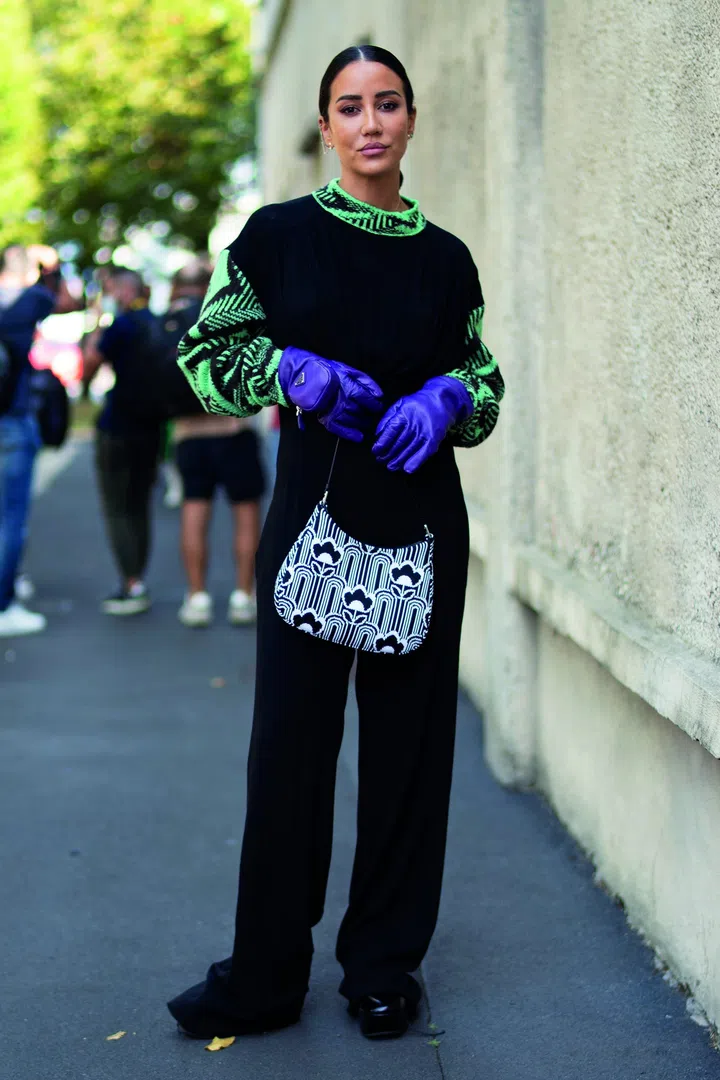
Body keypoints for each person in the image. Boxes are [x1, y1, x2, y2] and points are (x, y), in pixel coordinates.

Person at [167, 45, 504, 1042]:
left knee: (410, 755)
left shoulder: (447, 259)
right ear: (326, 126)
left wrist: (450, 397)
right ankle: (266, 974)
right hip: (310, 517)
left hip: (423, 524)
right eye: (350, 106)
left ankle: (384, 969)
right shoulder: (277, 238)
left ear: (409, 119)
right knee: (290, 753)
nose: (370, 122)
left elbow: (484, 386)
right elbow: (204, 359)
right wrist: (289, 368)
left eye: (388, 103)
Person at [168, 264, 266, 627]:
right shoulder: (225, 314)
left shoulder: (170, 322)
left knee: (194, 511)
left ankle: (197, 598)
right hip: (233, 430)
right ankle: (243, 597)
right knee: (246, 514)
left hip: (188, 435)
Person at [0, 245, 77, 636]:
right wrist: (52, 270)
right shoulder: (29, 300)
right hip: (11, 420)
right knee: (10, 517)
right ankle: (4, 605)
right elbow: (66, 301)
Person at [83, 269, 164, 615]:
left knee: (118, 508)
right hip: (152, 427)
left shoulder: (121, 325)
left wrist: (99, 317)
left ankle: (131, 584)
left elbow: (88, 364)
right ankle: (138, 578)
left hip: (118, 428)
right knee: (141, 505)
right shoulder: (157, 323)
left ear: (122, 291)